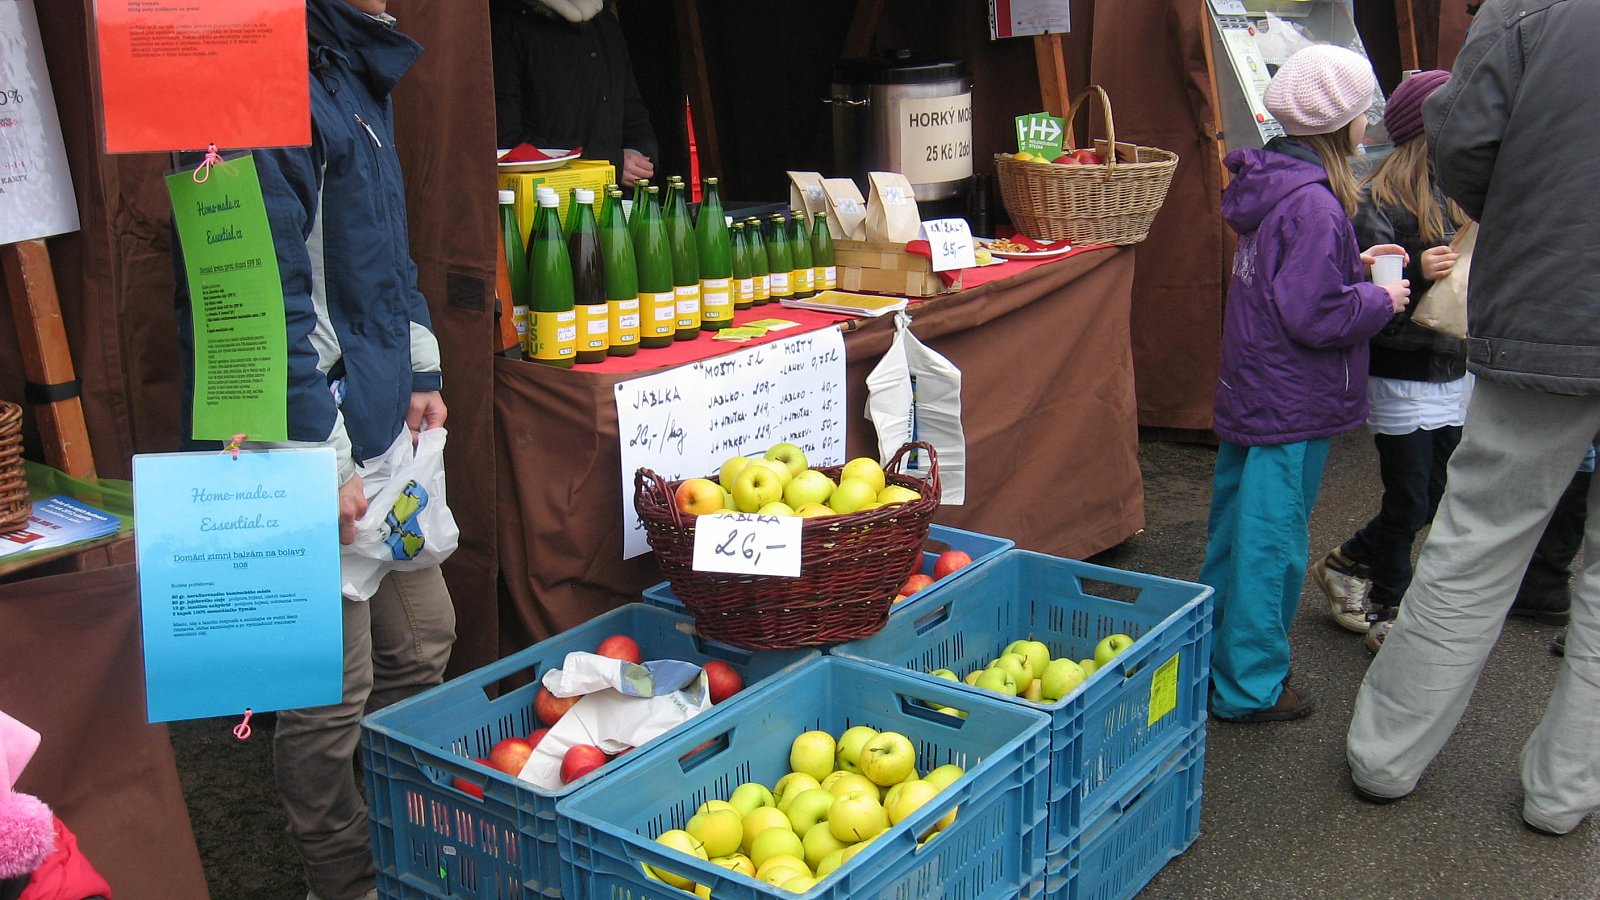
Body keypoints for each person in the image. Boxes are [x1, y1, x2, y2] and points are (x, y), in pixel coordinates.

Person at [173, 2, 455, 898]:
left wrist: (418, 362)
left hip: (376, 421)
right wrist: (317, 454)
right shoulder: (244, 86)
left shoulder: (349, 66)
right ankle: (342, 879)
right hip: (297, 434)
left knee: (424, 645)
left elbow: (382, 244)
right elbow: (261, 303)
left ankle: (404, 840)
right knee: (331, 688)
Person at [1345, 0, 1600, 836]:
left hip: (1557, 298)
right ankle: (1565, 794)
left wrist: (1528, 216)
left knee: (1479, 535)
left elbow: (1463, 143)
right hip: (1559, 298)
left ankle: (1386, 758)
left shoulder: (1535, 8)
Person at [1200, 44, 1408, 724]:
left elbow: (1297, 284)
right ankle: (1250, 686)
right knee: (1272, 548)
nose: (1369, 126)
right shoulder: (1315, 205)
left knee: (1237, 537)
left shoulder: (1278, 187)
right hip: (1293, 403)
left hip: (1254, 393)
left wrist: (1354, 261)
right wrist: (1380, 300)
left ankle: (1209, 659)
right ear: (1339, 123)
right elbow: (1316, 314)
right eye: (1362, 114)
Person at [1308, 70, 1469, 653]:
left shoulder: (1461, 192)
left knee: (1438, 487)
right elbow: (1377, 309)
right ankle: (1388, 609)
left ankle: (1350, 559)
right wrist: (1421, 268)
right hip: (1402, 373)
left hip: (1452, 368)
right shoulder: (1377, 202)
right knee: (1409, 494)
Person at [490, 0, 659, 186]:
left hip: (616, 200)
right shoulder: (507, 28)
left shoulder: (605, 25)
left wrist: (641, 154)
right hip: (547, 201)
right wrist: (610, 163)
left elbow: (634, 113)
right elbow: (505, 142)